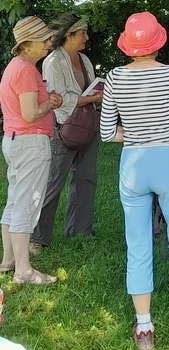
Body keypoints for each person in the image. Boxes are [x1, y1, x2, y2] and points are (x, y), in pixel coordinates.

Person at [100, 12, 169, 349]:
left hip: (133, 163)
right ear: (158, 42)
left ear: (128, 46)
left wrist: (135, 132)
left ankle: (144, 330)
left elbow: (107, 132)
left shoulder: (115, 79)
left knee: (137, 245)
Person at [29, 13, 103, 254]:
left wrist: (97, 94)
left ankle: (80, 230)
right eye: (82, 33)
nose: (86, 37)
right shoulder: (53, 62)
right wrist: (93, 97)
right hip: (63, 129)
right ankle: (38, 238)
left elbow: (90, 88)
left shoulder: (85, 59)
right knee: (53, 183)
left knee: (86, 180)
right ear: (69, 35)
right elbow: (60, 100)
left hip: (87, 127)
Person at [0, 16, 62, 284]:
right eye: (44, 39)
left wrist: (46, 101)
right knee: (27, 204)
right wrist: (50, 103)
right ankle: (23, 271)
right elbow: (31, 113)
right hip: (30, 142)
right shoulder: (26, 69)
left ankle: (8, 260)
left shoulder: (15, 67)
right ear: (28, 43)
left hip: (15, 141)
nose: (49, 44)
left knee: (15, 200)